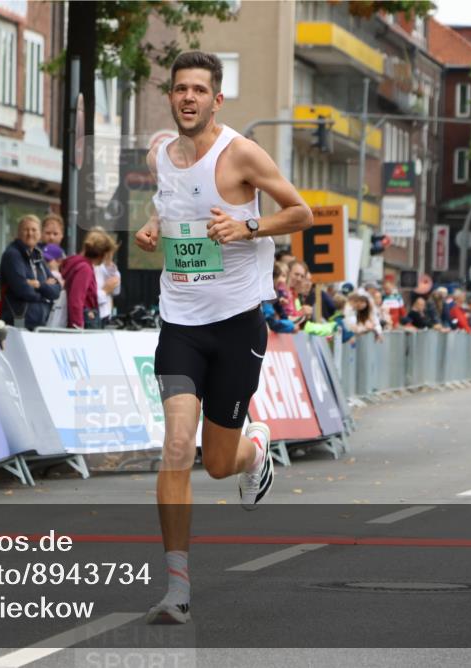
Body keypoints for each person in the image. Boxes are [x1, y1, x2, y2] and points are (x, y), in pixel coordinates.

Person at [133, 51, 312, 624]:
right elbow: (170, 203)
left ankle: (254, 450)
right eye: (179, 88)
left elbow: (302, 213)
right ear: (171, 96)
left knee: (215, 462)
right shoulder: (161, 154)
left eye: (198, 89)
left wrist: (248, 225)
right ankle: (177, 588)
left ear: (217, 99)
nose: (188, 97)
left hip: (236, 323)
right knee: (176, 447)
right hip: (180, 322)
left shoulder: (242, 154)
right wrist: (153, 226)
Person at [0, 214, 61, 330]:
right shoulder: (13, 255)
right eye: (26, 230)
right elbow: (22, 289)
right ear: (18, 233)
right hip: (19, 323)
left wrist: (39, 285)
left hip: (39, 324)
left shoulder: (38, 255)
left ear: (40, 234)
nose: (30, 233)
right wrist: (45, 297)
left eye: (34, 230)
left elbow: (57, 290)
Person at [60, 230, 116, 329]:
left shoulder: (76, 264)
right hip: (81, 324)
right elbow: (76, 300)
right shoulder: (85, 269)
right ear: (102, 254)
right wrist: (78, 327)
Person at [90, 228, 122, 325]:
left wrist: (108, 262)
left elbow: (116, 290)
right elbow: (87, 298)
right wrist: (104, 291)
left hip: (105, 314)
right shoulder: (86, 267)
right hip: (91, 316)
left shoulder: (106, 267)